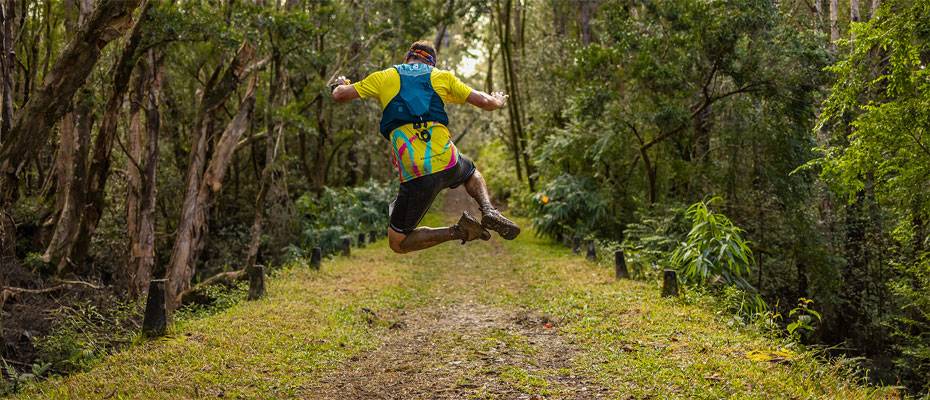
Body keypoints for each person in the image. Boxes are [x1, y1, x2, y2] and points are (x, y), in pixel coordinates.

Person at [330, 40, 520, 254]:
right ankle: (488, 209)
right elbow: (484, 102)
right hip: (448, 161)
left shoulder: (384, 77)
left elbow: (340, 95)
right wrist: (498, 101)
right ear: (432, 63)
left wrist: (340, 84)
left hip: (416, 173)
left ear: (408, 58)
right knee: (470, 172)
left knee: (398, 242)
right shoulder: (441, 77)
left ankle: (459, 231)